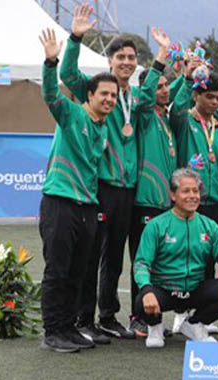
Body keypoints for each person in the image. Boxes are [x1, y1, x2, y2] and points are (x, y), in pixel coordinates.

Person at [62, 3, 140, 340]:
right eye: (120, 57)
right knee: (92, 254)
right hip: (102, 186)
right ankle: (83, 319)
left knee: (116, 255)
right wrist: (75, 39)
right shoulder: (96, 89)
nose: (126, 62)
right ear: (110, 61)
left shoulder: (136, 98)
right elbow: (65, 75)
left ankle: (108, 315)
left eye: (131, 58)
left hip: (128, 189)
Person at [37, 28, 117, 352]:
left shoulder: (103, 128)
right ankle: (52, 331)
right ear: (90, 95)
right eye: (104, 95)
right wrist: (55, 58)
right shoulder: (70, 114)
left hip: (87, 206)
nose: (109, 100)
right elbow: (49, 93)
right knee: (57, 270)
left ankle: (68, 328)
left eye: (113, 96)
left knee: (78, 271)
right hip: (60, 201)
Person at [133, 168, 218, 348]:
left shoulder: (209, 226)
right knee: (141, 300)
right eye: (186, 191)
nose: (192, 196)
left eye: (196, 191)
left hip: (194, 290)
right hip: (165, 290)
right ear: (173, 195)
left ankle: (194, 324)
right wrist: (146, 290)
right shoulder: (156, 225)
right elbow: (141, 264)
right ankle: (154, 325)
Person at [125, 28, 178, 337]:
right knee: (142, 261)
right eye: (158, 86)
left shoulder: (167, 119)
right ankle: (136, 316)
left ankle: (153, 317)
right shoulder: (143, 114)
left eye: (166, 85)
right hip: (145, 201)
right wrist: (160, 59)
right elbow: (145, 96)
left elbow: (181, 94)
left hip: (164, 205)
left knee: (159, 263)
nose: (164, 90)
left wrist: (184, 73)